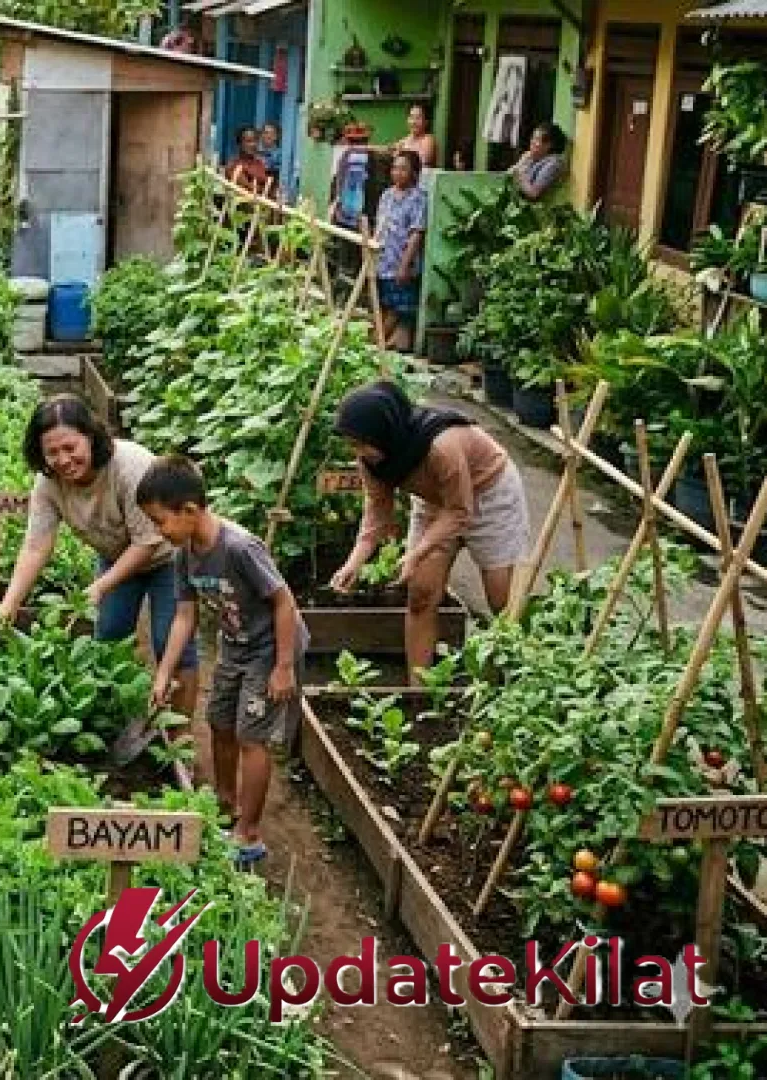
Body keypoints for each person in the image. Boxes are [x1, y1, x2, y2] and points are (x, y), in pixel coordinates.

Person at [0, 396, 199, 762]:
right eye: (52, 452)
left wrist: (100, 586)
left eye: (70, 448)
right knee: (109, 641)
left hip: (169, 557)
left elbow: (148, 542)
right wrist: (9, 603)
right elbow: (36, 546)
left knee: (172, 642)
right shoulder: (49, 484)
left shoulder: (129, 468)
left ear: (90, 437)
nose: (63, 460)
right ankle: (123, 719)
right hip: (117, 556)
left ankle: (179, 740)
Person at [139, 456, 307, 869]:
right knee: (218, 722)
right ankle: (227, 804)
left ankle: (249, 834)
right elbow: (184, 615)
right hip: (235, 645)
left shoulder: (239, 548)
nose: (158, 532)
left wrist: (283, 666)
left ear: (190, 511)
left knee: (252, 736)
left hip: (270, 650)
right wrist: (162, 672)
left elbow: (284, 602)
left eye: (160, 521)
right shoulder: (185, 555)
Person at [328, 381, 529, 681]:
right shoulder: (372, 460)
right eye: (352, 444)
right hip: (434, 501)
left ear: (384, 431)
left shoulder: (441, 447)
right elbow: (377, 513)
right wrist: (353, 563)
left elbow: (460, 511)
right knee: (421, 593)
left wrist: (416, 552)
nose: (357, 452)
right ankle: (419, 691)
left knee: (502, 601)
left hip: (490, 494)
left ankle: (514, 681)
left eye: (360, 443)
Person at [373, 150, 428, 352]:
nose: (397, 173)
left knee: (399, 309)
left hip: (401, 261)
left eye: (403, 168)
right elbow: (379, 227)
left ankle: (376, 343)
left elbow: (416, 233)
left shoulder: (418, 198)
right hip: (383, 260)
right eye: (395, 168)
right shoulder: (386, 195)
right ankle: (391, 346)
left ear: (414, 172)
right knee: (386, 305)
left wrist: (404, 265)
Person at [507, 123, 568, 201]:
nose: (532, 142)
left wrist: (519, 175)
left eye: (536, 139)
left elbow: (534, 193)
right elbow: (507, 176)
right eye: (532, 138)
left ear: (548, 145)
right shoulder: (534, 158)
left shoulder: (553, 164)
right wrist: (521, 162)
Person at [226, 126, 271, 194]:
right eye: (248, 141)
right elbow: (249, 187)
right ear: (240, 144)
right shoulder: (234, 166)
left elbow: (268, 185)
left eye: (255, 141)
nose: (253, 144)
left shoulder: (259, 163)